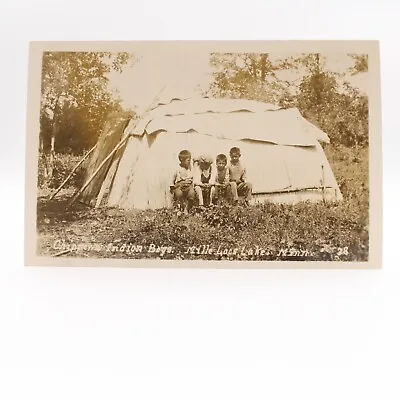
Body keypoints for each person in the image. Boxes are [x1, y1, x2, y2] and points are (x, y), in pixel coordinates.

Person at [171, 149, 195, 214]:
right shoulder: (177, 169)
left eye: (190, 160)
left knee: (191, 193)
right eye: (188, 160)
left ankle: (187, 208)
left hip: (188, 186)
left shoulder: (190, 169)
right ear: (182, 160)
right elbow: (173, 181)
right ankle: (180, 207)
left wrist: (189, 182)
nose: (189, 162)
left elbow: (192, 178)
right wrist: (175, 186)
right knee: (179, 193)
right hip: (179, 186)